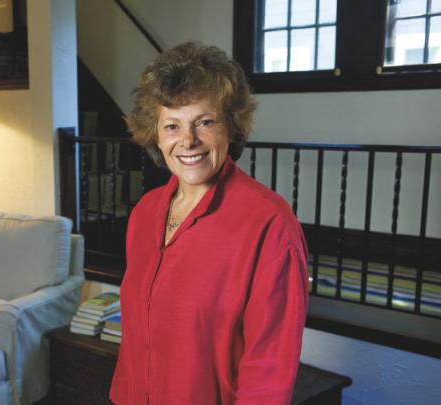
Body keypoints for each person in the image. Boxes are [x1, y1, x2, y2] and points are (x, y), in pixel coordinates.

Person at [109, 42, 309, 405]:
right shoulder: (145, 212)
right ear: (155, 133)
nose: (188, 141)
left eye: (205, 122)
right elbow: (137, 340)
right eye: (172, 125)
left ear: (231, 126)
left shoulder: (269, 224)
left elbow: (268, 372)